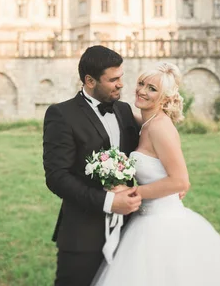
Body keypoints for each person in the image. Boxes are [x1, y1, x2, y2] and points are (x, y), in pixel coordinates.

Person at [92, 62, 220, 286]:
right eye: (141, 83)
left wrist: (131, 192)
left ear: (165, 98)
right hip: (144, 219)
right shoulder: (147, 123)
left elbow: (180, 180)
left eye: (152, 89)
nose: (142, 91)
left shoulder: (160, 127)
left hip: (163, 223)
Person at [43, 45, 142, 286]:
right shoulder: (61, 114)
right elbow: (57, 177)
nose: (121, 84)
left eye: (121, 77)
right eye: (113, 79)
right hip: (81, 235)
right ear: (89, 80)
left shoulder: (124, 110)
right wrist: (108, 202)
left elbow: (147, 149)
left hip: (130, 232)